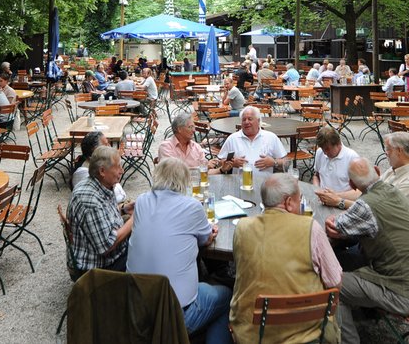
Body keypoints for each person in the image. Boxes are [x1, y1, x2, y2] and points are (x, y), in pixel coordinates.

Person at [325, 158, 409, 344]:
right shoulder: (393, 191)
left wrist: (331, 219)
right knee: (344, 258)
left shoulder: (366, 205)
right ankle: (364, 312)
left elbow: (335, 228)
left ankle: (347, 341)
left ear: (352, 184)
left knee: (333, 284)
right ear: (377, 171)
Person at [127, 158, 231, 342]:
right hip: (174, 317)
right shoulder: (192, 206)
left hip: (135, 308)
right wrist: (210, 231)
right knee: (227, 296)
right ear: (184, 181)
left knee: (203, 286)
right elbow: (206, 238)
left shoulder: (142, 201)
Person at [230, 174, 342, 343]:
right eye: (299, 200)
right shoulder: (310, 227)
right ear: (289, 203)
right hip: (305, 333)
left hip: (253, 334)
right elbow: (335, 281)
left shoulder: (242, 228)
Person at [67, 146, 134, 277]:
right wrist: (134, 220)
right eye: (118, 167)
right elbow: (106, 246)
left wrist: (123, 209)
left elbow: (104, 214)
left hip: (103, 258)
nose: (122, 170)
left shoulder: (98, 183)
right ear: (102, 171)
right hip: (96, 269)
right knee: (148, 252)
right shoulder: (89, 200)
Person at [217, 106, 287, 175]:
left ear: (258, 121)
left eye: (250, 119)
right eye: (244, 120)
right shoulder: (233, 138)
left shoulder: (271, 137)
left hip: (265, 184)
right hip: (240, 184)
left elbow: (286, 161)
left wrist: (274, 162)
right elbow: (219, 162)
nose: (246, 122)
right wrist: (232, 163)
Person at [71, 131, 128, 204]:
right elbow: (115, 197)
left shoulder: (100, 166)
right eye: (106, 145)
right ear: (95, 150)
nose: (109, 147)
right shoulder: (83, 173)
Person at [313, 126, 360, 208]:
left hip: (343, 205)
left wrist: (335, 196)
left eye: (328, 149)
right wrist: (317, 189)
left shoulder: (352, 158)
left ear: (338, 144)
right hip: (322, 203)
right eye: (323, 149)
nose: (325, 153)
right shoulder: (320, 152)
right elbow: (316, 175)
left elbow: (360, 192)